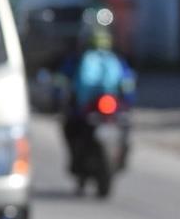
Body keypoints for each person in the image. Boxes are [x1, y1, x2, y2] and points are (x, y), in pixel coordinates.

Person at [55, 21, 135, 174]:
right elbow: (129, 87)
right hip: (94, 110)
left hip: (96, 109)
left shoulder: (79, 59)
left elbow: (61, 81)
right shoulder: (115, 59)